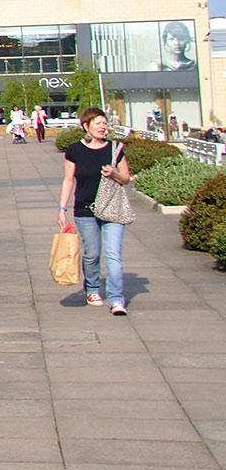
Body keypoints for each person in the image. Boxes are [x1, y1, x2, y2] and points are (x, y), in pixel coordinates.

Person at [59, 106, 133, 315]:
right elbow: (68, 180)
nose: (103, 127)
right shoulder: (74, 150)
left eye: (104, 123)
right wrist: (61, 209)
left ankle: (116, 299)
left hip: (112, 210)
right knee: (92, 254)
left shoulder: (115, 148)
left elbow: (126, 179)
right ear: (86, 126)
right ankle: (92, 289)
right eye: (98, 123)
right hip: (85, 210)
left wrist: (114, 173)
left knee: (113, 255)